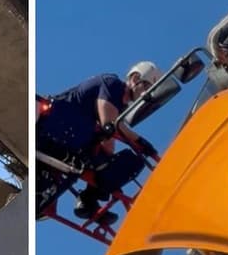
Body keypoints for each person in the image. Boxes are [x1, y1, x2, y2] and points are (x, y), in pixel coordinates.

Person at [36, 62, 164, 226]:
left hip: (73, 141)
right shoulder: (112, 84)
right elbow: (109, 125)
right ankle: (88, 200)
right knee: (122, 158)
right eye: (146, 87)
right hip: (62, 128)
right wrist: (140, 142)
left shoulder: (118, 105)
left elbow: (110, 134)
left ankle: (88, 201)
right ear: (135, 78)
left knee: (127, 163)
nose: (145, 94)